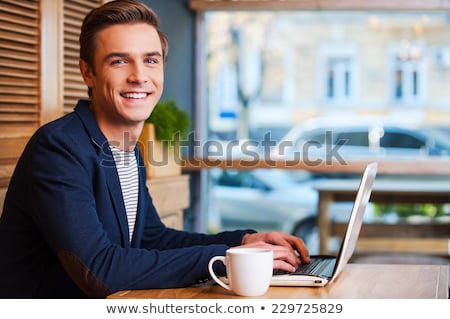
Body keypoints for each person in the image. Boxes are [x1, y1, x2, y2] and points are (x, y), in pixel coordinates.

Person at [0, 0, 309, 298]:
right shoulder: (58, 148)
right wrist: (227, 257)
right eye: (119, 61)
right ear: (88, 73)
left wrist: (243, 241)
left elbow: (152, 238)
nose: (139, 76)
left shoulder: (125, 148)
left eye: (150, 60)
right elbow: (99, 270)